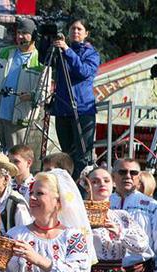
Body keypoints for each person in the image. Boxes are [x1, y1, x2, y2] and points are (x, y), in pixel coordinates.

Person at [50, 20, 101, 178]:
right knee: (66, 155)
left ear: (86, 33)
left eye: (79, 29)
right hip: (63, 109)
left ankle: (83, 191)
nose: (75, 32)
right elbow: (46, 62)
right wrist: (49, 43)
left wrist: (67, 50)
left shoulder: (91, 53)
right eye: (72, 28)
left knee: (82, 157)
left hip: (83, 109)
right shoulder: (61, 50)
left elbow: (84, 71)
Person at [0, 18, 45, 150]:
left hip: (19, 120)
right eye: (18, 32)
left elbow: (44, 93)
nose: (20, 36)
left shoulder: (41, 59)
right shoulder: (4, 52)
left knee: (15, 159)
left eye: (25, 33)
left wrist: (31, 96)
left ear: (34, 36)